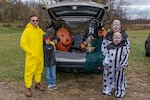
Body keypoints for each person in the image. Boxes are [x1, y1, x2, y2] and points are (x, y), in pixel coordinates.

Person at [101, 19, 130, 96]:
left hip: (119, 59)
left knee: (119, 74)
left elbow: (127, 45)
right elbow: (104, 46)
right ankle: (108, 87)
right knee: (108, 73)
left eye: (118, 25)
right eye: (114, 25)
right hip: (110, 59)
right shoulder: (108, 35)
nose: (116, 26)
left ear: (120, 26)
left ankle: (119, 88)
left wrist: (127, 51)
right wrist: (106, 56)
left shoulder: (124, 35)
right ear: (112, 26)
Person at [20, 15, 45, 97]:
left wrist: (53, 43)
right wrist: (31, 52)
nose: (35, 22)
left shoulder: (40, 31)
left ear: (38, 21)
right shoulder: (27, 31)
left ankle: (37, 84)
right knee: (29, 72)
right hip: (32, 56)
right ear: (30, 21)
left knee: (39, 70)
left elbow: (46, 38)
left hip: (40, 56)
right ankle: (28, 88)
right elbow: (23, 44)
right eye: (33, 20)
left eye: (36, 20)